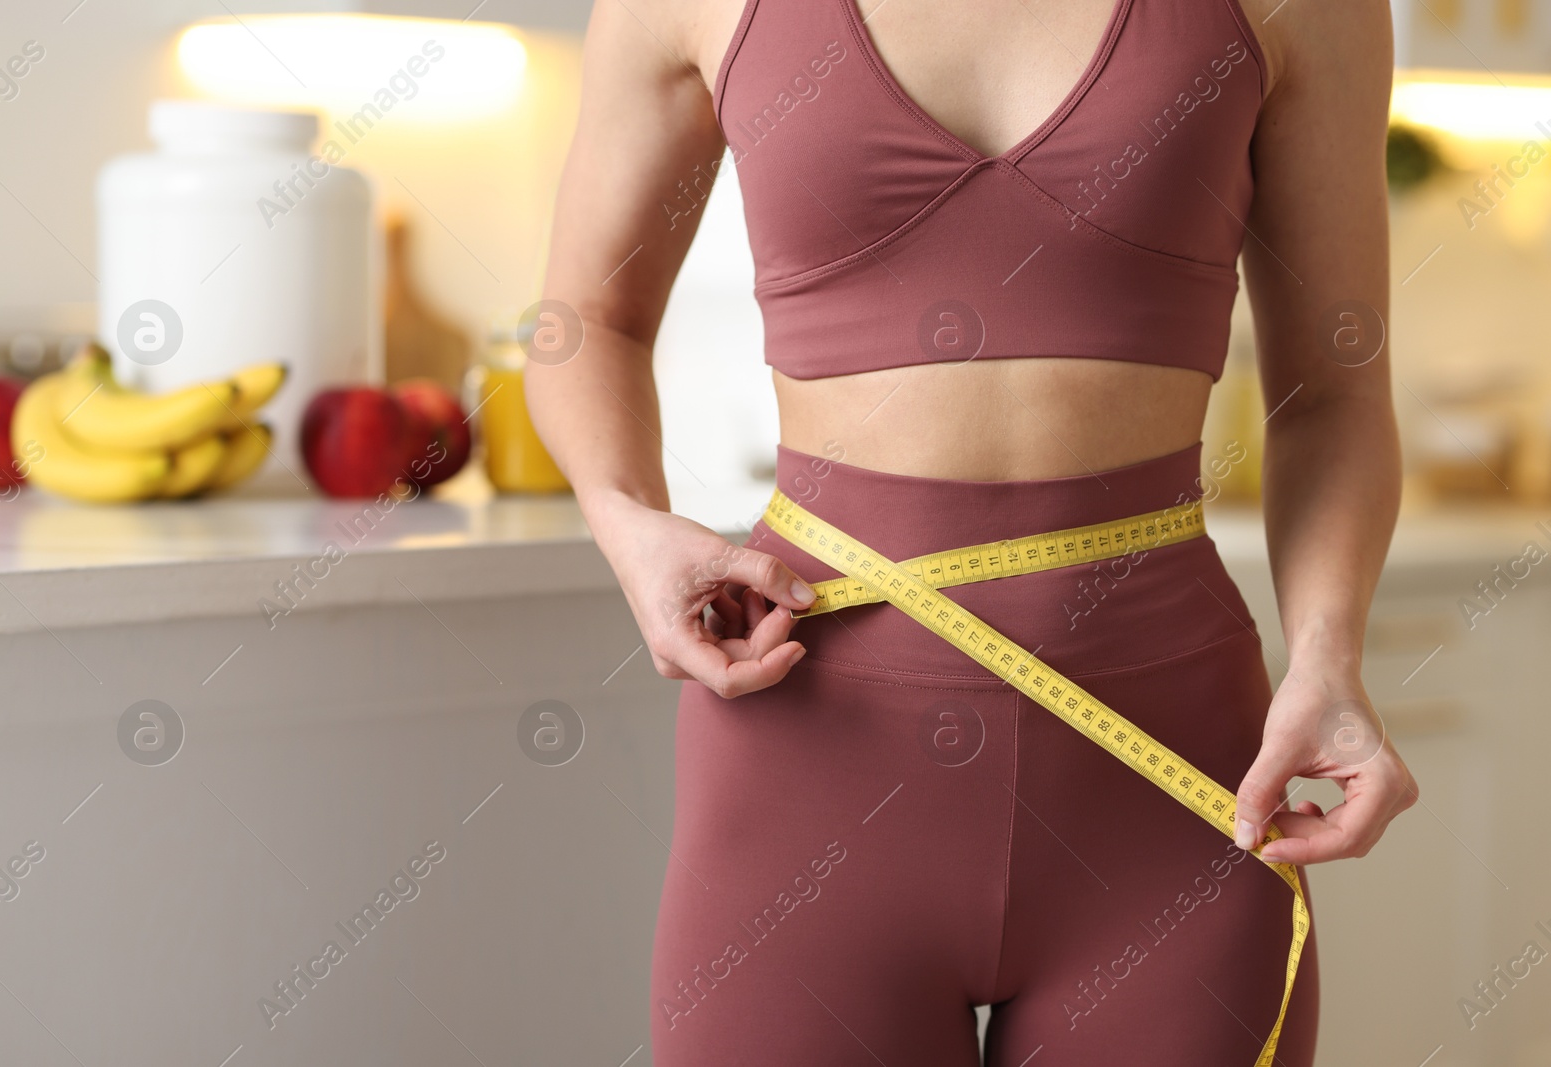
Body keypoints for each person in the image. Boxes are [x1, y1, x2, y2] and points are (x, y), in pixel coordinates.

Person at [525, 0, 1418, 1063]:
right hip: (808, 758)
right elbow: (588, 320)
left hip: (1176, 781)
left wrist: (1329, 656)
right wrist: (629, 524)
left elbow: (1332, 394)